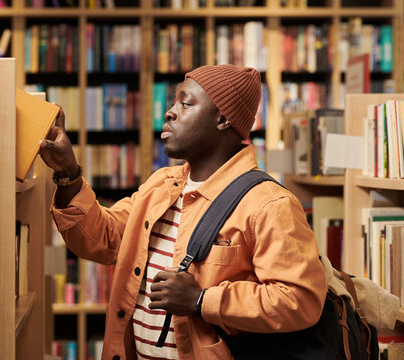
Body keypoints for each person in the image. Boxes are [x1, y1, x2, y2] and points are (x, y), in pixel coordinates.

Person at [40, 64, 327, 360]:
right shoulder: (161, 185)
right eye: (174, 102)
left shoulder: (269, 204)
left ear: (223, 119)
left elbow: (300, 300)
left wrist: (202, 300)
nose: (169, 112)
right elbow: (102, 239)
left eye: (185, 103)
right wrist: (68, 172)